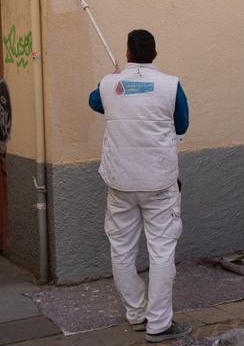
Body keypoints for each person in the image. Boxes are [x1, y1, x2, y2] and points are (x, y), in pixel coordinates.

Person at [88, 29, 191, 343]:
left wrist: (119, 79)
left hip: (120, 182)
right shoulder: (171, 85)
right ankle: (158, 324)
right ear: (155, 54)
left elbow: (96, 103)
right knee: (161, 253)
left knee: (121, 250)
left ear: (129, 54)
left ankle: (136, 314)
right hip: (159, 183)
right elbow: (182, 124)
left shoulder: (109, 84)